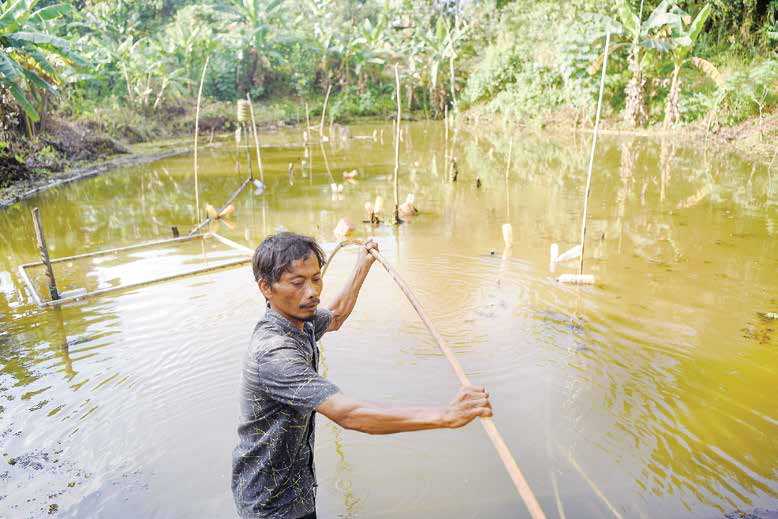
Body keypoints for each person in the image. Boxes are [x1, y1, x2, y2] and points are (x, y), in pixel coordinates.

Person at [232, 232, 492, 519]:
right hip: (270, 505)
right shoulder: (274, 353)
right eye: (297, 283)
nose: (312, 292)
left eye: (316, 278)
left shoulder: (299, 323)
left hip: (299, 490)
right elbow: (349, 414)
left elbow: (338, 315)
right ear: (266, 287)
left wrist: (362, 266)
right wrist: (446, 416)